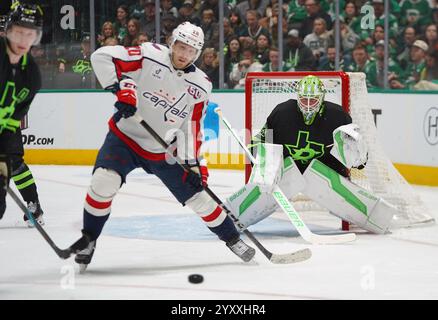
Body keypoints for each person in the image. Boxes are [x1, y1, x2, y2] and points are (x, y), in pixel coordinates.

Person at [67, 22, 256, 270]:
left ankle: (232, 238)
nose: (184, 54)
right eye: (181, 47)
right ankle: (88, 241)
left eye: (191, 51)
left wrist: (193, 165)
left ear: (197, 54)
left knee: (199, 198)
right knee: (103, 183)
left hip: (163, 150)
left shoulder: (201, 85)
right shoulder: (148, 55)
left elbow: (193, 125)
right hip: (125, 138)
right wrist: (117, 88)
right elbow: (101, 56)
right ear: (172, 43)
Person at [226, 76, 393, 234]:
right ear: (298, 97)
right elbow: (261, 141)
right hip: (288, 168)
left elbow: (358, 162)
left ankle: (375, 217)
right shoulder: (282, 112)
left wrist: (357, 155)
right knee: (264, 183)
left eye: (312, 100)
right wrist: (263, 162)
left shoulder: (338, 116)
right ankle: (229, 220)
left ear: (321, 99)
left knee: (339, 189)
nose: (307, 105)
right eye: (304, 100)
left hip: (326, 170)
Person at [0, 3, 44, 227]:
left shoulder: (32, 77)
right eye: (19, 32)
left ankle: (33, 204)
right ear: (7, 30)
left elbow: (14, 117)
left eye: (30, 34)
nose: (23, 40)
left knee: (14, 162)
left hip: (4, 126)